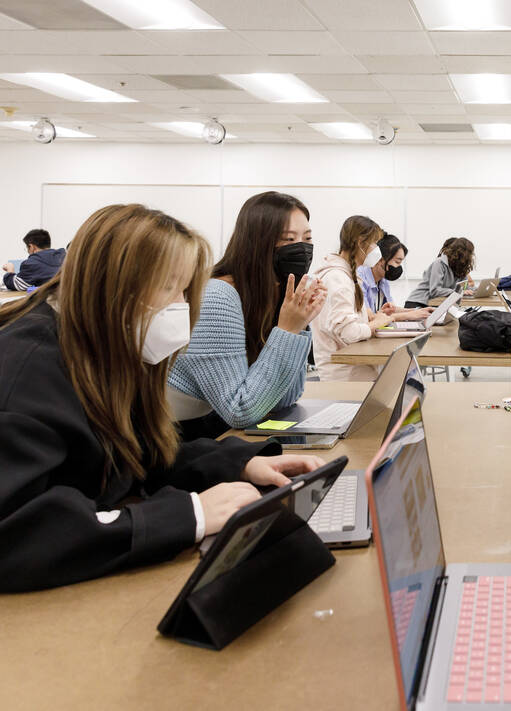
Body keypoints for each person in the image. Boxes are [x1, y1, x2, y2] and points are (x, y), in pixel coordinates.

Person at [0, 204, 324, 592]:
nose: (182, 306)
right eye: (171, 288)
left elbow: (134, 457)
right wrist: (189, 515)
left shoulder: (105, 346)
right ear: (116, 284)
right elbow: (16, 533)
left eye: (185, 290)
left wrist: (237, 463)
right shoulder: (28, 365)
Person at [168, 192, 326, 440]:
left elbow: (283, 398)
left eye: (307, 238)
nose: (302, 249)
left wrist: (299, 322)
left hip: (220, 431)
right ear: (258, 243)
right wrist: (288, 330)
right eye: (289, 239)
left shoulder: (270, 294)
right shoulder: (217, 296)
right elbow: (239, 411)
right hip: (184, 439)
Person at [312, 217, 429, 381]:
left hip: (356, 365)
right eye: (374, 243)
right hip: (347, 373)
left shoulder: (347, 277)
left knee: (405, 368)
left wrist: (375, 317)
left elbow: (350, 321)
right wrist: (377, 322)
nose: (377, 250)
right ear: (360, 242)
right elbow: (349, 333)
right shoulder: (338, 279)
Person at [357, 234, 431, 322]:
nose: (399, 267)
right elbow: (369, 317)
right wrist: (408, 315)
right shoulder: (360, 278)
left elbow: (390, 310)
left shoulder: (383, 280)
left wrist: (417, 311)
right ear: (380, 260)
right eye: (397, 262)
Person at [405, 237, 475, 307]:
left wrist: (477, 291)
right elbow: (435, 291)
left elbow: (465, 288)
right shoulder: (439, 263)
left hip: (436, 304)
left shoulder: (460, 267)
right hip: (419, 302)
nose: (470, 257)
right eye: (469, 253)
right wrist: (458, 292)